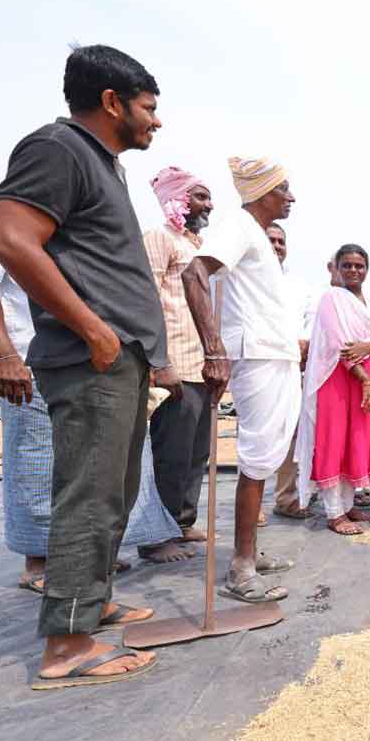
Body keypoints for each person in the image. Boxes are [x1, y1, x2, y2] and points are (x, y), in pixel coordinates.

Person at [0, 44, 168, 687]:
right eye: (149, 108)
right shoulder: (57, 149)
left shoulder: (103, 164)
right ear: (112, 101)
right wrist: (94, 330)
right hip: (91, 360)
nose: (156, 121)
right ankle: (67, 644)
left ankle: (90, 604)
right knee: (88, 498)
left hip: (117, 360)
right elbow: (10, 240)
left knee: (113, 496)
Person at [0, 189, 181, 592]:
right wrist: (5, 355)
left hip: (93, 358)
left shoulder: (84, 208)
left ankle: (87, 561)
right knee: (38, 461)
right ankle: (40, 562)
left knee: (102, 465)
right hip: (31, 354)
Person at [182, 156, 299, 604]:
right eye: (283, 189)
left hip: (277, 353)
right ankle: (241, 567)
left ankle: (249, 551)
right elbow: (194, 273)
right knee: (254, 456)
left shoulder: (259, 239)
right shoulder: (239, 225)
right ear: (263, 192)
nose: (290, 197)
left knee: (267, 454)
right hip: (256, 355)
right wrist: (213, 349)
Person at [141, 167, 214, 558]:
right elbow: (147, 298)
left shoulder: (196, 244)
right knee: (170, 453)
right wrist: (158, 360)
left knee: (196, 452)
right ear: (179, 199)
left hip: (201, 364)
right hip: (174, 366)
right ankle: (156, 536)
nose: (209, 205)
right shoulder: (158, 238)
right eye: (200, 196)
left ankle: (182, 523)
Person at [294, 245, 370, 535]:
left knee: (355, 440)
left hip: (366, 376)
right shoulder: (331, 298)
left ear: (367, 269)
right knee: (334, 440)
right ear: (336, 268)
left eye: (359, 266)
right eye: (347, 265)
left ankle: (347, 506)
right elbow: (339, 345)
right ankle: (334, 513)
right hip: (338, 378)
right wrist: (366, 381)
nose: (353, 271)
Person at [266, 222, 314, 522]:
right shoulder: (244, 278)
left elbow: (309, 318)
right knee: (256, 436)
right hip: (260, 363)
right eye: (270, 240)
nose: (276, 246)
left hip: (294, 367)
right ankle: (253, 507)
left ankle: (285, 498)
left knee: (292, 434)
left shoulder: (299, 285)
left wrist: (304, 340)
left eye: (281, 241)